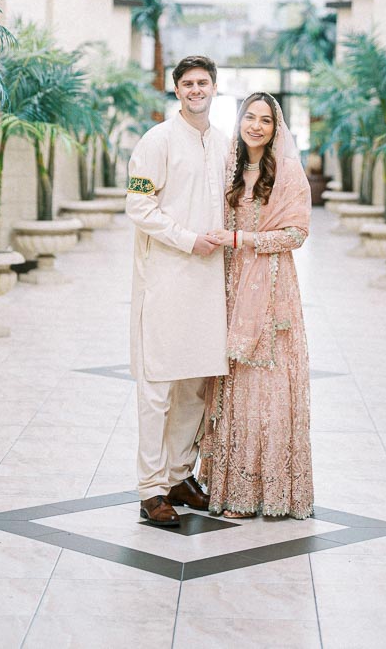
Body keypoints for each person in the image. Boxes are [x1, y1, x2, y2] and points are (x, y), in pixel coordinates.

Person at [198, 91, 314, 520]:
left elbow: (297, 234)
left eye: (266, 120)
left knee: (267, 386)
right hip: (227, 287)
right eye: (251, 117)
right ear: (240, 120)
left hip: (271, 290)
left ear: (276, 126)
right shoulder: (225, 168)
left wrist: (243, 240)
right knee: (232, 384)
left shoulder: (287, 173)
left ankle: (270, 490)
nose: (257, 126)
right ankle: (229, 488)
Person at [125, 54, 230, 528]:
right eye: (187, 83)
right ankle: (151, 489)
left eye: (202, 82)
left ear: (214, 88)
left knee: (195, 383)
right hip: (166, 278)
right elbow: (139, 207)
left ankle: (179, 476)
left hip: (209, 284)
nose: (195, 89)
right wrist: (190, 240)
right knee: (158, 386)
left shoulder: (225, 143)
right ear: (176, 90)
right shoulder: (157, 140)